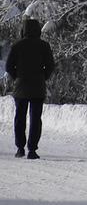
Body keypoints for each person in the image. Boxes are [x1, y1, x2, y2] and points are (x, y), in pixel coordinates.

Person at [5, 18, 55, 159]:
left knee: (19, 117)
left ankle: (20, 147)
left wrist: (17, 77)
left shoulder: (17, 46)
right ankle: (32, 149)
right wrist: (43, 77)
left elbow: (9, 66)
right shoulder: (44, 46)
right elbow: (50, 65)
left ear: (24, 30)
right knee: (35, 118)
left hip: (20, 87)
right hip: (38, 86)